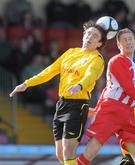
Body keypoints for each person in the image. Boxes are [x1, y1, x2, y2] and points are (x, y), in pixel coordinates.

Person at [9, 20, 107, 165]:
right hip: (61, 104)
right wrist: (26, 84)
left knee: (68, 151)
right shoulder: (70, 53)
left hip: (77, 106)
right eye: (88, 33)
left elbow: (90, 76)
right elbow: (50, 71)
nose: (90, 37)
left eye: (94, 35)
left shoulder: (97, 59)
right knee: (61, 154)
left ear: (99, 43)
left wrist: (79, 86)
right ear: (83, 35)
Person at [77, 28, 135, 165]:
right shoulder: (116, 60)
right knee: (90, 153)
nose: (128, 42)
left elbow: (108, 88)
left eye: (130, 39)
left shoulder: (134, 67)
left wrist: (97, 108)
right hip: (113, 109)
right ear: (118, 45)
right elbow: (128, 89)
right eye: (124, 40)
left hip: (128, 114)